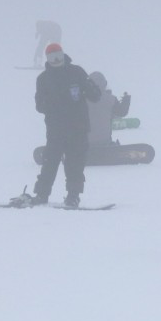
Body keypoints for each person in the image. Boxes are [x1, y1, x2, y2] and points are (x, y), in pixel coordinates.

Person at [22, 43, 101, 207]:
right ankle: (42, 194)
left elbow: (95, 95)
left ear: (64, 55)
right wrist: (52, 103)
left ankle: (73, 196)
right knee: (50, 163)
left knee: (75, 164)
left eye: (58, 55)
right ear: (47, 59)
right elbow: (39, 105)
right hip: (56, 129)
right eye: (52, 57)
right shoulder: (43, 79)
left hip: (78, 128)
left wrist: (89, 88)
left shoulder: (77, 72)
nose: (56, 59)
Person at [86, 71, 132, 148]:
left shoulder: (81, 99)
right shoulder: (111, 99)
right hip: (105, 142)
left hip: (85, 143)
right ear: (104, 84)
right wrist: (126, 100)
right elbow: (122, 112)